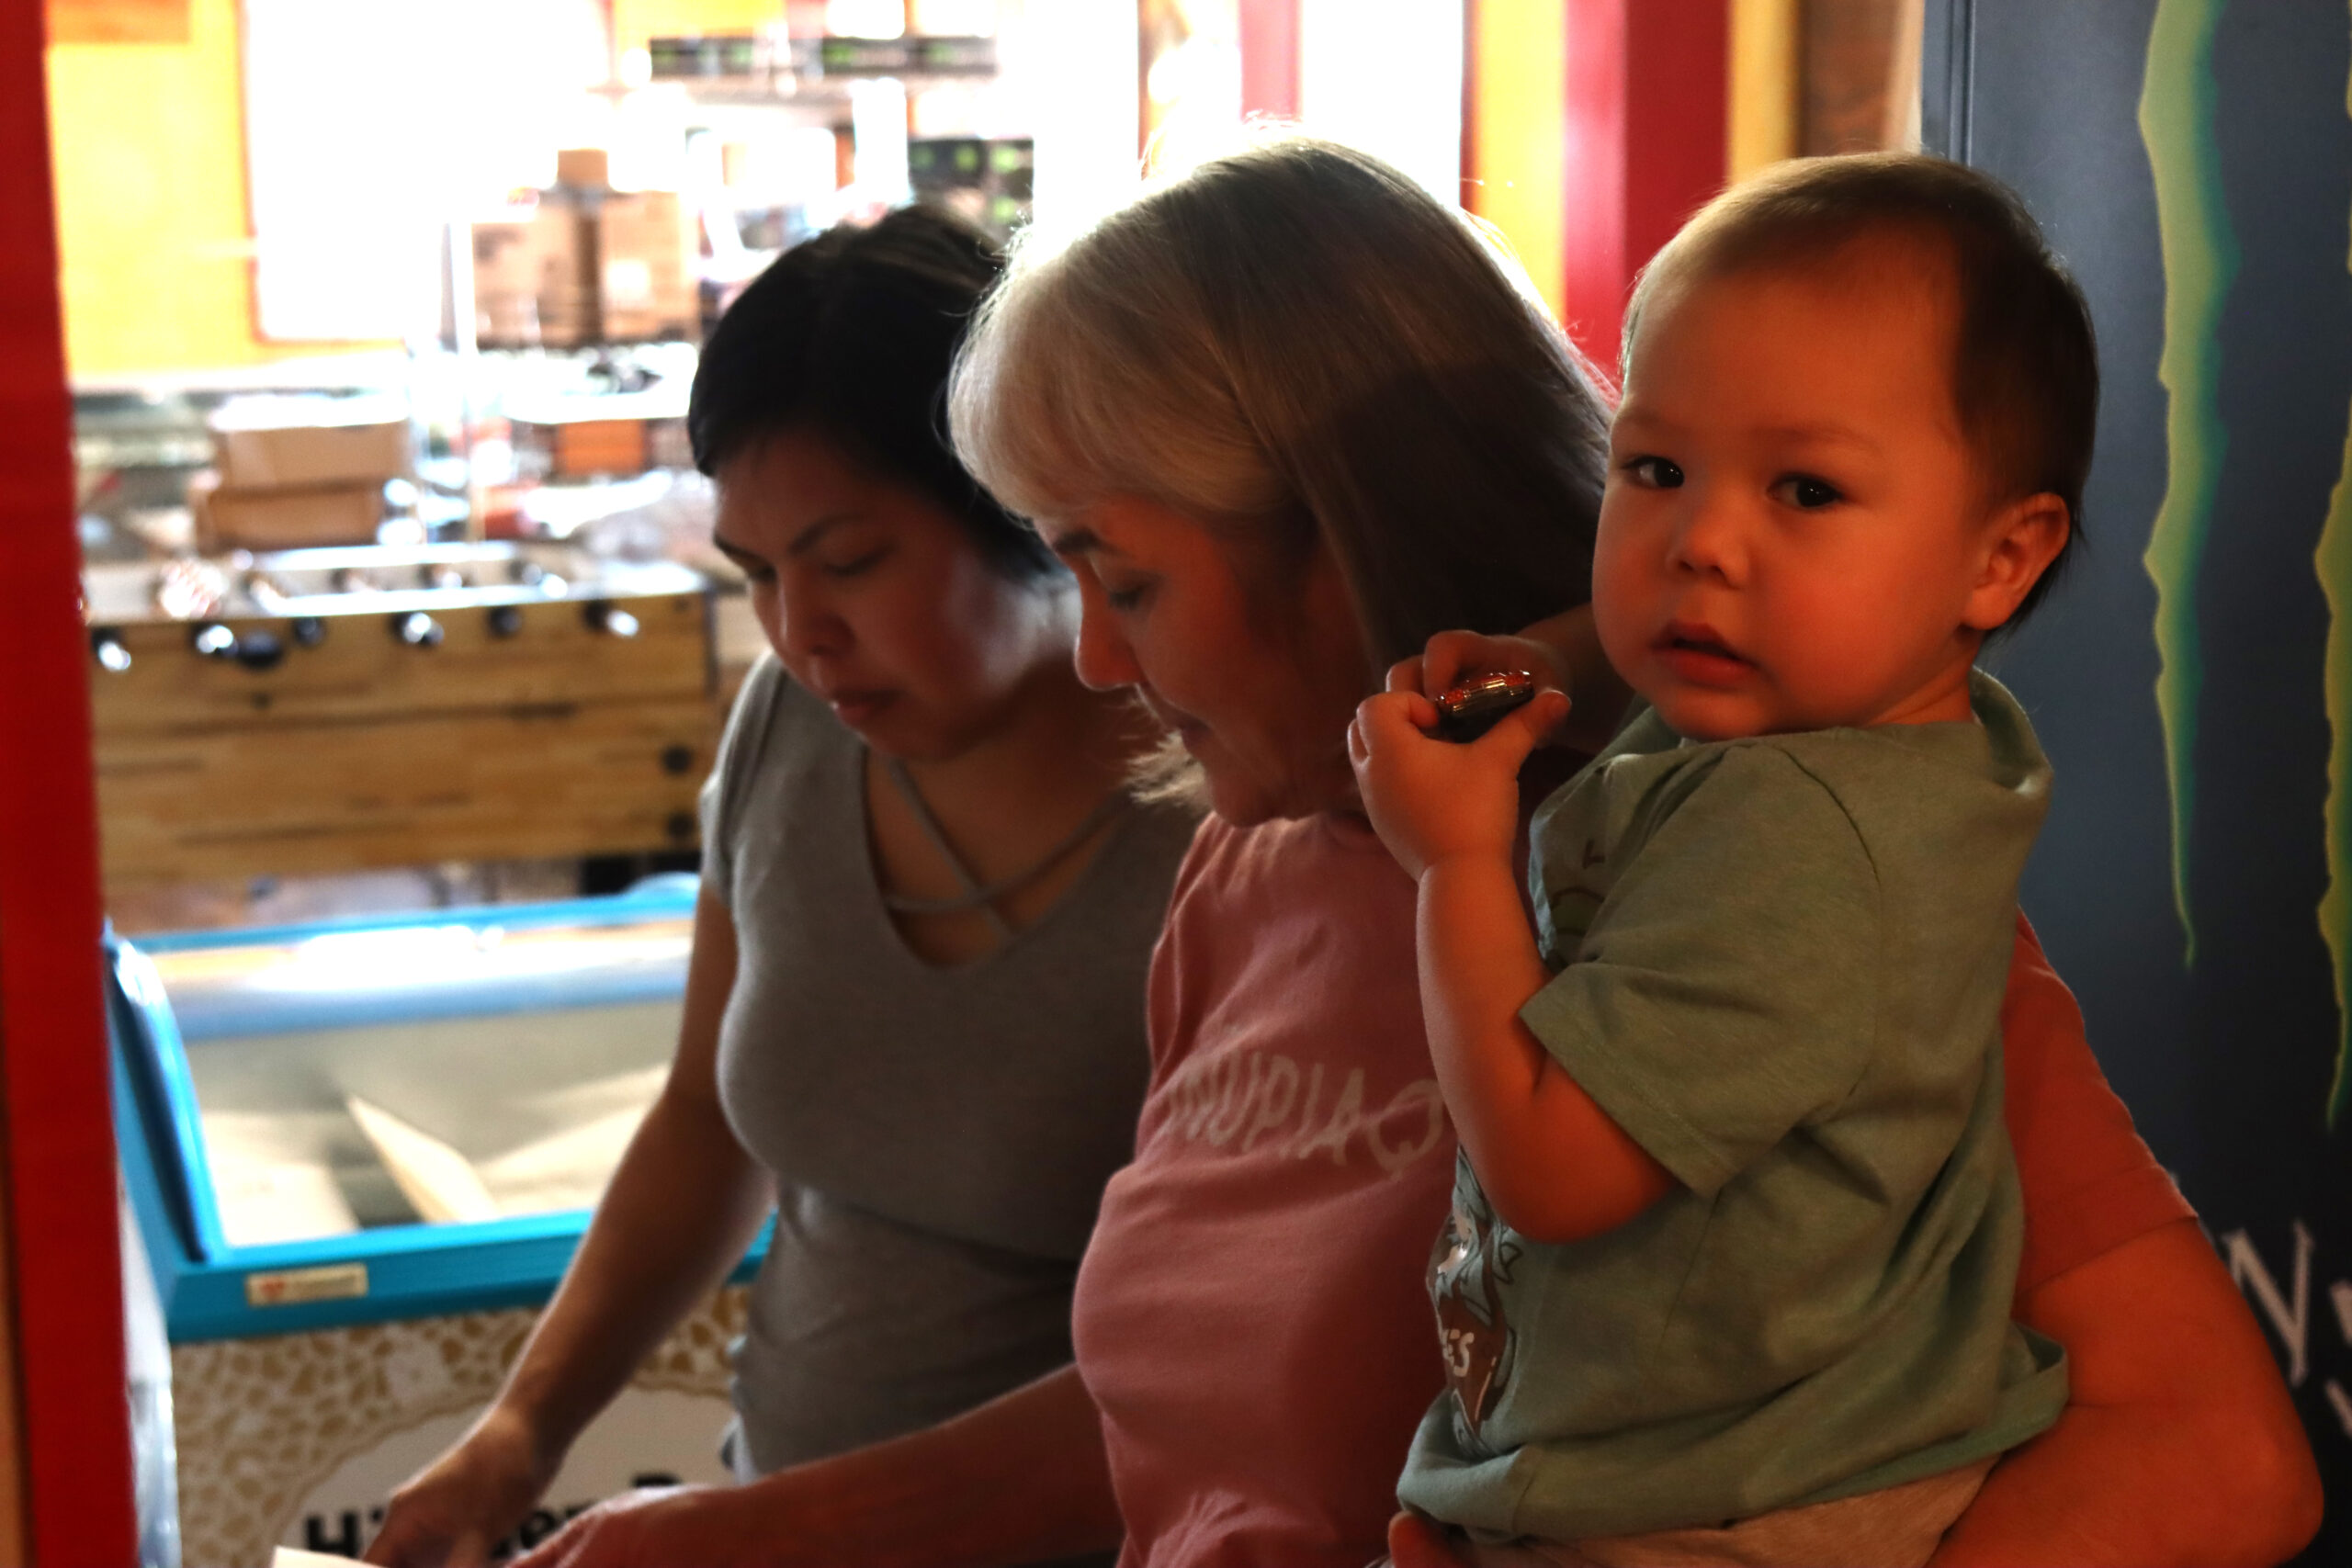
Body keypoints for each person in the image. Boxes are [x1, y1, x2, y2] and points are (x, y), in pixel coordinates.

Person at [499, 139, 2322, 1568]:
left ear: (1333, 530)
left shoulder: (1775, 880)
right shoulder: (1251, 867)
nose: (1095, 660)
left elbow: (2210, 1460)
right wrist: (747, 1528)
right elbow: (1194, 1410)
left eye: (1123, 576)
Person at [363, 207, 1198, 1568]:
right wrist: (522, 1431)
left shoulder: (1226, 803)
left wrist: (762, 1533)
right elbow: (706, 1121)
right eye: (755, 573)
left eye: (852, 561)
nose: (803, 634)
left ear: (1025, 508)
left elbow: (1222, 1357)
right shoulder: (791, 727)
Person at [1351, 153, 2086, 1564]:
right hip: (1732, 1455)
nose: (1701, 547)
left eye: (1804, 489)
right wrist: (1556, 653)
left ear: (2000, 559)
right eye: (1656, 468)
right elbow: (1699, 643)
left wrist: (1453, 866)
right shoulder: (1892, 726)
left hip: (1714, 1506)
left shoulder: (1798, 844)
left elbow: (1555, 1172)